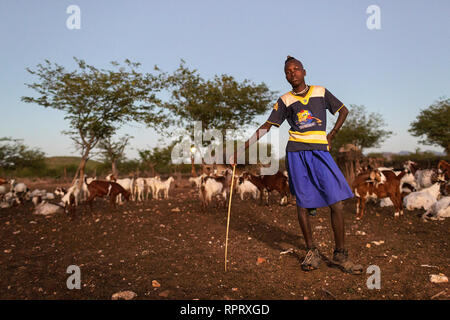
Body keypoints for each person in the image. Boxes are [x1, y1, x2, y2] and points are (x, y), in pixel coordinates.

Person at [231, 56, 363, 274]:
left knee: (336, 203)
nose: (292, 73)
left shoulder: (320, 92)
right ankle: (312, 251)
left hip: (320, 151)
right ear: (286, 77)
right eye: (288, 71)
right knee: (302, 203)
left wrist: (332, 134)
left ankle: (340, 255)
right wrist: (242, 148)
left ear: (304, 71)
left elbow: (344, 111)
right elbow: (267, 125)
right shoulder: (284, 100)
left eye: (296, 69)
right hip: (296, 153)